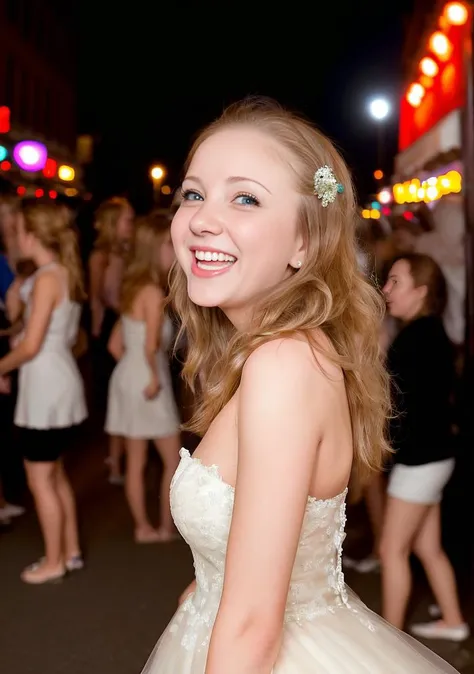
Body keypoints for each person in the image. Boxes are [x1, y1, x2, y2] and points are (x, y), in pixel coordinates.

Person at [140, 98, 461, 673]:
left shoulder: (284, 364)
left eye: (245, 198)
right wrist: (200, 599)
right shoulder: (280, 352)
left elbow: (252, 626)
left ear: (304, 244)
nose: (202, 219)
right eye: (193, 193)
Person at [380, 254, 468, 641]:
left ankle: (390, 637)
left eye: (395, 282)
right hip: (437, 456)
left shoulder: (414, 339)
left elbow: (402, 410)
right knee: (427, 547)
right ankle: (453, 620)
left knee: (390, 550)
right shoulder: (431, 334)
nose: (386, 290)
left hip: (420, 461)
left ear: (421, 291)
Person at [0, 203, 87, 583]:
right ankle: (70, 551)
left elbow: (31, 345)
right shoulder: (58, 273)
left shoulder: (49, 278)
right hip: (57, 382)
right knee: (54, 473)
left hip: (45, 387)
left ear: (31, 235)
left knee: (39, 478)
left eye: (16, 229)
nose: (13, 237)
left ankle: (53, 563)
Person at [106, 214, 181, 542]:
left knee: (136, 461)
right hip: (150, 381)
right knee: (173, 459)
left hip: (127, 376)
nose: (175, 251)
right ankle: (165, 527)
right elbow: (151, 345)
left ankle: (143, 527)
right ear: (155, 249)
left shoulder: (133, 287)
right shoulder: (152, 291)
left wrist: (134, 369)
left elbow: (113, 344)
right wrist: (150, 374)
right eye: (169, 244)